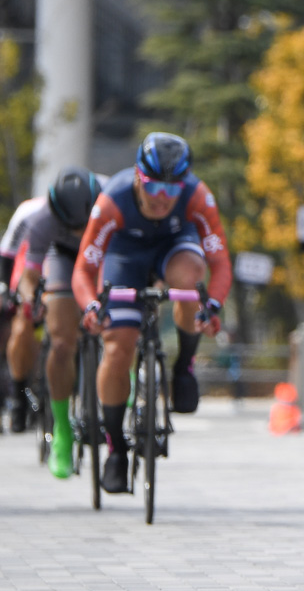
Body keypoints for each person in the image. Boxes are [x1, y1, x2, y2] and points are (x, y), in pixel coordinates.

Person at [72, 132, 230, 494]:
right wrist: (92, 305)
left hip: (175, 245)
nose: (163, 198)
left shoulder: (198, 196)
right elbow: (83, 270)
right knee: (117, 348)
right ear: (137, 176)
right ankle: (116, 448)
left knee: (191, 278)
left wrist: (213, 305)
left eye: (173, 190)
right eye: (154, 187)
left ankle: (184, 367)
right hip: (124, 254)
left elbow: (220, 264)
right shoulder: (112, 200)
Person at [0, 168, 103, 477]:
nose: (77, 230)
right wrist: (26, 298)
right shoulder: (34, 217)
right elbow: (17, 265)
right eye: (72, 225)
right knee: (46, 330)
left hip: (100, 253)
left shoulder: (111, 199)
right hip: (52, 258)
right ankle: (36, 407)